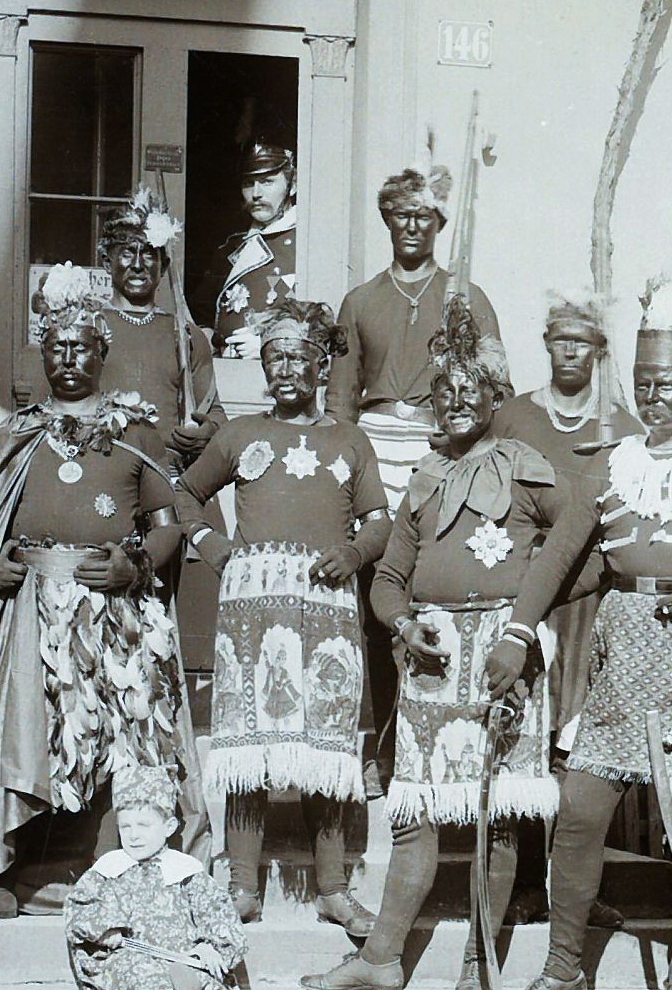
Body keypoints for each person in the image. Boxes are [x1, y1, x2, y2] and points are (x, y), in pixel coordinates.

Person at [299, 300, 591, 990]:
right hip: (430, 660)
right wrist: (402, 627)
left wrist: (525, 626)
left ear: (495, 396)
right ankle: (381, 959)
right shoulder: (424, 482)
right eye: (444, 391)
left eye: (472, 390)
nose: (456, 402)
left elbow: (581, 525)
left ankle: (480, 963)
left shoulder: (524, 469)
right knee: (415, 812)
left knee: (496, 814)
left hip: (502, 656)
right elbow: (390, 581)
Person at [507, 275, 672, 990]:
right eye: (644, 385)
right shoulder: (608, 463)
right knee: (581, 810)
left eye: (669, 387)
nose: (654, 400)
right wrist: (517, 631)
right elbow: (557, 559)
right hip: (626, 649)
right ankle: (560, 972)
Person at [0, 263, 207, 918]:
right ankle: (14, 870)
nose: (67, 359)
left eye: (81, 347)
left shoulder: (134, 430)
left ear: (101, 351)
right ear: (43, 353)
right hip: (32, 610)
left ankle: (102, 865)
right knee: (32, 736)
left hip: (113, 609)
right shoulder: (17, 431)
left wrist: (137, 565)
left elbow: (168, 525)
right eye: (55, 347)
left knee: (109, 737)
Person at [179, 297, 389, 931]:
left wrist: (354, 552)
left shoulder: (348, 440)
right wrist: (212, 546)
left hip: (326, 610)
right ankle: (243, 885)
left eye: (299, 357)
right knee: (249, 744)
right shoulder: (240, 435)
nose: (287, 369)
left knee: (323, 746)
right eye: (275, 357)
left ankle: (332, 887)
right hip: (251, 608)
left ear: (321, 364)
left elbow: (380, 520)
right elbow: (185, 493)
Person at [492, 292, 641, 750]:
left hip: (586, 587)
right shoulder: (512, 417)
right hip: (518, 578)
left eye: (583, 342)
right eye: (561, 341)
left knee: (573, 719)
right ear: (546, 344)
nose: (571, 351)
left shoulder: (624, 428)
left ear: (599, 349)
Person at [331, 164, 502, 511]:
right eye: (401, 215)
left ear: (440, 222)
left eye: (423, 216)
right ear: (387, 219)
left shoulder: (466, 297)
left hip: (442, 441)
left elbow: (497, 386)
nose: (411, 227)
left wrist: (462, 433)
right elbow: (341, 396)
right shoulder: (359, 301)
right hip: (372, 444)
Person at [64, 768, 247, 990]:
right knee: (142, 978)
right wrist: (105, 930)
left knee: (203, 981)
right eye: (126, 827)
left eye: (144, 825)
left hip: (181, 958)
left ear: (169, 826)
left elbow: (217, 911)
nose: (134, 836)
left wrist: (213, 946)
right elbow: (79, 909)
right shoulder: (109, 869)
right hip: (131, 956)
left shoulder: (186, 870)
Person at [94, 187, 224, 465]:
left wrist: (206, 431)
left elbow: (214, 413)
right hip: (102, 464)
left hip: (167, 471)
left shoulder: (186, 335)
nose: (139, 265)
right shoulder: (88, 327)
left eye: (150, 254)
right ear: (107, 262)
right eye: (128, 253)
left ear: (164, 266)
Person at [209, 135, 301, 365]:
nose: (256, 193)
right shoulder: (230, 247)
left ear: (294, 184)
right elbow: (204, 318)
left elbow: (321, 326)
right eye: (248, 183)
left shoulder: (307, 242)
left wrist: (268, 344)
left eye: (268, 181)